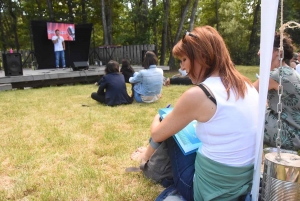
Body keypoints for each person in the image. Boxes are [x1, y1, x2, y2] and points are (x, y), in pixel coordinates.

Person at [132, 26, 259, 200]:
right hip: (241, 185)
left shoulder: (200, 94)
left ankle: (148, 163)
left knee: (168, 125)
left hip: (206, 192)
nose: (182, 67)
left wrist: (158, 117)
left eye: (184, 59)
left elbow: (157, 133)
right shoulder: (247, 86)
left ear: (202, 57)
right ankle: (148, 158)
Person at [253, 33, 300, 151]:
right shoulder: (289, 71)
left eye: (263, 49)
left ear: (278, 53)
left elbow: (247, 92)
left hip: (287, 134)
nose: (259, 52)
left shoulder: (277, 74)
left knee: (242, 115)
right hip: (295, 133)